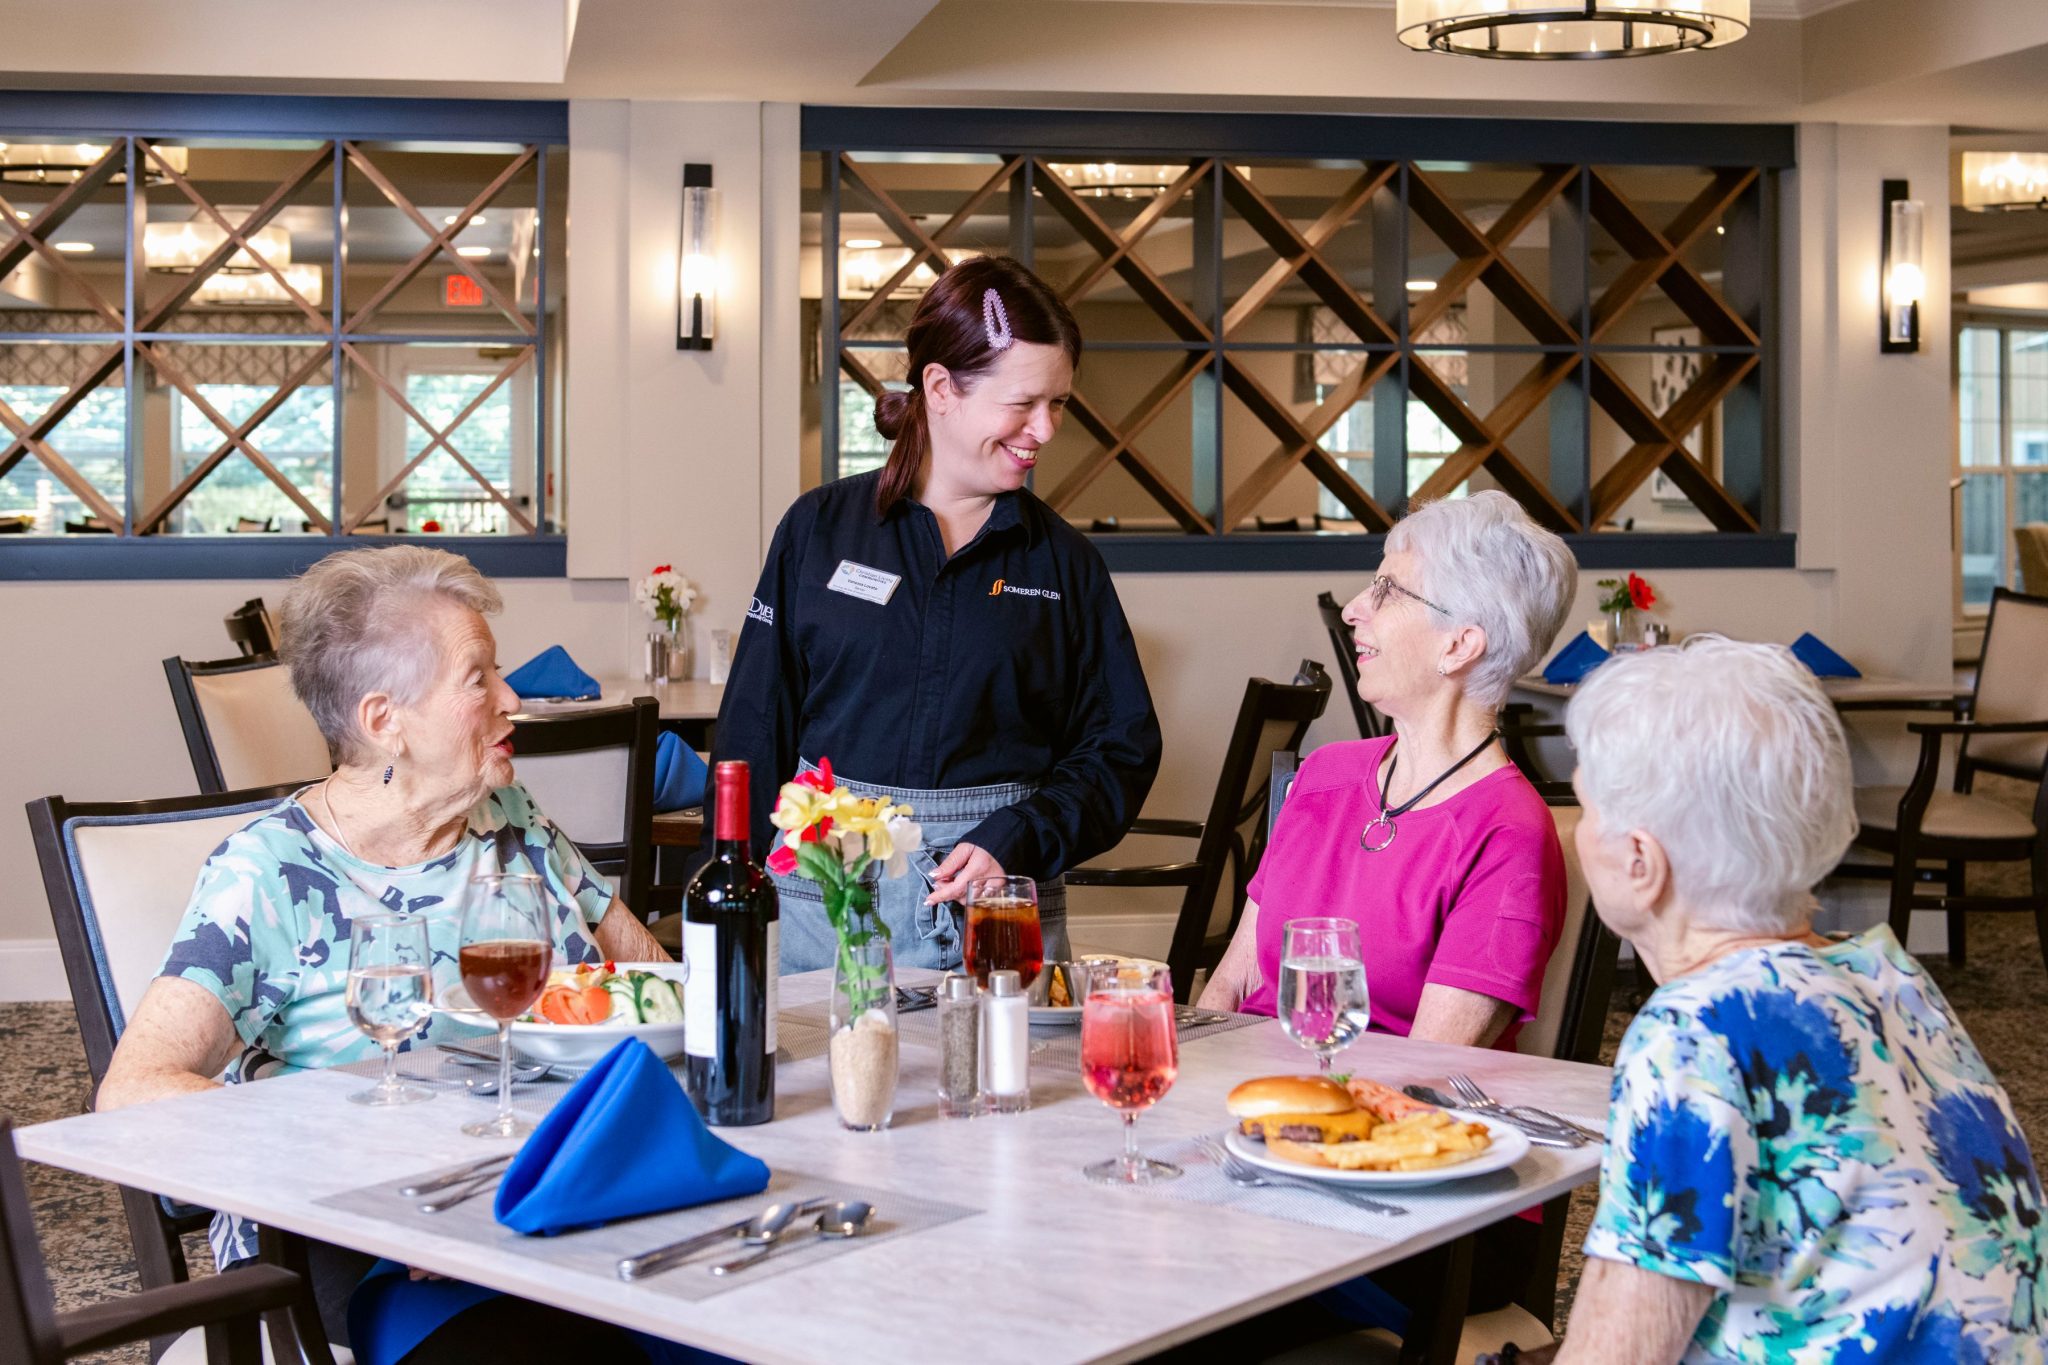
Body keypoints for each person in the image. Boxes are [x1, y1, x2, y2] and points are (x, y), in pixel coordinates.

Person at [98, 545, 673, 1364]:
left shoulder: (507, 814)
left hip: (554, 1192)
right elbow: (131, 1091)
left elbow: (656, 987)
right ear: (383, 720)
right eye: (479, 677)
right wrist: (370, 1175)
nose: (513, 697)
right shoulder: (268, 874)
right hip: (349, 1236)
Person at [1485, 637, 2047, 1364]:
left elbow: (1619, 1353)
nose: (1578, 832)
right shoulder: (1887, 973)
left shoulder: (1696, 1032)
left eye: (1587, 807)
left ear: (1641, 863)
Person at [716, 254, 1162, 972]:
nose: (1045, 430)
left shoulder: (1064, 565)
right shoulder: (816, 532)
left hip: (995, 907)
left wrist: (1023, 831)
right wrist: (733, 909)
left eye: (1059, 405)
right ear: (939, 387)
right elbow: (753, 731)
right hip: (823, 907)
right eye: (1023, 403)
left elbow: (1123, 749)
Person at [1199, 490, 1577, 1052]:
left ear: (1459, 645)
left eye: (1389, 591)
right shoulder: (1326, 774)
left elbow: (1425, 1071)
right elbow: (1230, 986)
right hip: (1248, 1098)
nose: (1354, 608)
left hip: (1378, 1122)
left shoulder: (1507, 834)